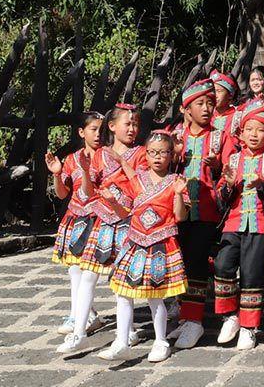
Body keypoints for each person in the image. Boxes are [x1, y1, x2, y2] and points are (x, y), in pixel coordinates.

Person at [58, 104, 144, 354]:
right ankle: (79, 331)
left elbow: (141, 185)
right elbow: (87, 191)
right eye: (127, 124)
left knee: (120, 279)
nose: (132, 128)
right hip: (103, 220)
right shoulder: (99, 155)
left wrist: (120, 161)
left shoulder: (140, 153)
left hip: (129, 220)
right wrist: (85, 171)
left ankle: (125, 332)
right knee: (87, 274)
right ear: (112, 127)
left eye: (135, 124)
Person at [97, 130, 190, 362]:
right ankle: (121, 341)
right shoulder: (136, 180)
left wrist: (178, 194)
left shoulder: (175, 182)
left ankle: (160, 341)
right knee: (122, 293)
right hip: (135, 244)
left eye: (163, 153)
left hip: (161, 245)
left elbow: (180, 217)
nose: (157, 157)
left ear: (172, 155)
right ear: (145, 155)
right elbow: (124, 212)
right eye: (152, 153)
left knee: (155, 297)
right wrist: (111, 200)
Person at [215, 100, 264, 350]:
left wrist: (262, 185)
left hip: (260, 225)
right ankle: (231, 316)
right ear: (241, 132)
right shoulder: (234, 159)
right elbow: (221, 196)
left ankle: (249, 326)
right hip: (234, 223)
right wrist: (226, 184)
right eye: (249, 130)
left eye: (260, 130)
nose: (254, 135)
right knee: (223, 265)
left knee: (251, 274)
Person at [169, 80, 235, 349]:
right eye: (200, 104)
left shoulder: (221, 137)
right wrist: (174, 157)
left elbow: (231, 174)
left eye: (210, 102)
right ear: (186, 109)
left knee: (197, 263)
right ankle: (185, 317)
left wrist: (218, 168)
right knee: (180, 263)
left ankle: (195, 321)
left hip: (206, 211)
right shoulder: (174, 137)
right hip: (174, 211)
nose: (207, 108)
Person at [47, 112, 102, 337]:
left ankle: (83, 315)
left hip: (100, 217)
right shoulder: (72, 159)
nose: (98, 134)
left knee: (90, 272)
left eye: (101, 129)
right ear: (81, 132)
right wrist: (57, 174)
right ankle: (79, 313)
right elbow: (62, 195)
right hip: (76, 217)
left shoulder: (107, 157)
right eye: (93, 129)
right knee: (74, 269)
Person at [210, 70, 239, 135]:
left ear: (230, 95)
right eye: (212, 91)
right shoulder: (206, 116)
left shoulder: (237, 118)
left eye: (219, 91)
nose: (215, 95)